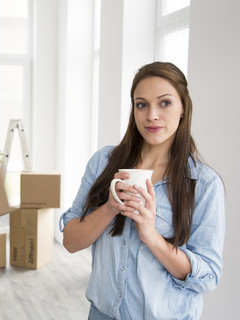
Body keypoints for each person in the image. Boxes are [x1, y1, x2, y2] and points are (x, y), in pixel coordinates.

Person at [60, 62, 225, 320]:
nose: (152, 115)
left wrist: (151, 236)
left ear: (183, 108)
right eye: (142, 104)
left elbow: (208, 278)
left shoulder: (202, 184)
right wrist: (110, 208)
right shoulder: (104, 163)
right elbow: (70, 241)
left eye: (165, 103)